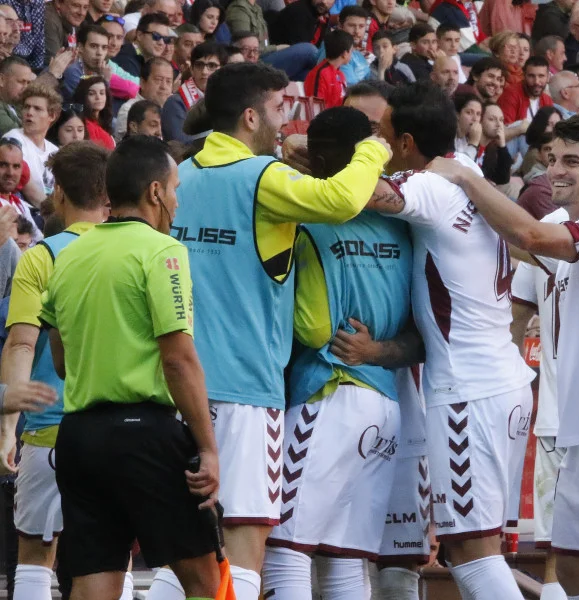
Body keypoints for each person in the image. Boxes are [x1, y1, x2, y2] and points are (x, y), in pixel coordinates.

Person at [147, 62, 391, 600]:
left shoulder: (180, 176)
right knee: (245, 541)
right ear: (251, 116)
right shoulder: (261, 177)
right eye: (280, 109)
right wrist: (372, 150)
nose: (286, 122)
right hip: (247, 389)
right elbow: (341, 200)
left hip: (177, 387)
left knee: (188, 552)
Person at [426, 111, 579, 600]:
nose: (556, 170)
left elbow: (529, 239)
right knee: (576, 571)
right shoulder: (561, 228)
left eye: (572, 162)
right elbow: (522, 253)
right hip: (576, 430)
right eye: (553, 159)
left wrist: (466, 178)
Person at [367, 81, 535, 600]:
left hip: (467, 391)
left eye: (382, 135)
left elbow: (365, 193)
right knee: (475, 548)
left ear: (406, 143)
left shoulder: (432, 187)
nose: (377, 142)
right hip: (502, 380)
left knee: (471, 552)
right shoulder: (467, 173)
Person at [41, 134, 222, 600]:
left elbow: (61, 362)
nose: (177, 202)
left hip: (79, 436)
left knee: (93, 585)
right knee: (205, 582)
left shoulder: (67, 256)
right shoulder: (163, 251)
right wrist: (208, 448)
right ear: (155, 191)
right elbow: (178, 359)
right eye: (175, 189)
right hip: (144, 434)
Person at [261, 105, 414, 600]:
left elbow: (313, 329)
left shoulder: (309, 222)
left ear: (323, 159)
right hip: (385, 401)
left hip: (328, 392)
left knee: (285, 550)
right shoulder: (403, 224)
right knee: (346, 561)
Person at [0, 140, 117, 600]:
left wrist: (7, 428)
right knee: (112, 556)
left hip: (49, 429)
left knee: (34, 556)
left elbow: (21, 343)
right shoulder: (134, 250)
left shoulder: (41, 256)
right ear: (107, 194)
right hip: (116, 428)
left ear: (60, 194)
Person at [5, 84, 61, 207]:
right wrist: (56, 214)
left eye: (37, 109)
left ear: (52, 116)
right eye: (26, 107)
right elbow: (31, 193)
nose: (29, 113)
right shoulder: (13, 140)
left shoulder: (55, 151)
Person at [161, 41, 224, 142]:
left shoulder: (228, 100)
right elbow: (179, 144)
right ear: (191, 69)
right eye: (199, 65)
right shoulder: (175, 103)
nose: (204, 72)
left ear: (223, 70)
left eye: (212, 66)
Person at [61, 24, 138, 104]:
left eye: (104, 47)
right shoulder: (72, 70)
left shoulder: (100, 69)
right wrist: (105, 80)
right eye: (94, 46)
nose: (99, 53)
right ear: (80, 47)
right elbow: (90, 105)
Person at [115, 56, 173, 141]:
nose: (164, 86)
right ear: (142, 82)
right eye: (158, 80)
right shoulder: (129, 109)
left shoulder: (173, 109)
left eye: (168, 81)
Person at [304, 30, 352, 110]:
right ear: (344, 54)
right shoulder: (321, 73)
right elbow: (315, 106)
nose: (351, 55)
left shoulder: (340, 74)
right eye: (351, 51)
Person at [113, 13, 172, 78]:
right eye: (156, 36)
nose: (161, 43)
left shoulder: (146, 62)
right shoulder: (125, 60)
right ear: (139, 35)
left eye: (166, 39)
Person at [498, 56, 552, 124]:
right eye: (531, 76)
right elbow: (504, 127)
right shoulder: (511, 94)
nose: (536, 82)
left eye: (541, 76)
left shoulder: (547, 100)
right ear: (524, 75)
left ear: (548, 77)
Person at [72, 75, 115, 149]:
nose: (98, 97)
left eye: (102, 93)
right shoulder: (84, 124)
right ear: (83, 97)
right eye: (91, 94)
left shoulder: (104, 121)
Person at [0, 56, 34, 136]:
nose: (26, 87)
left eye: (28, 83)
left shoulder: (17, 103)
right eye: (21, 82)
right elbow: (21, 136)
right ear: (1, 80)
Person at [454, 92, 483, 160]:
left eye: (478, 114)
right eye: (469, 112)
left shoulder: (465, 139)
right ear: (457, 114)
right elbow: (460, 164)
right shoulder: (448, 135)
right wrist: (473, 144)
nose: (475, 119)